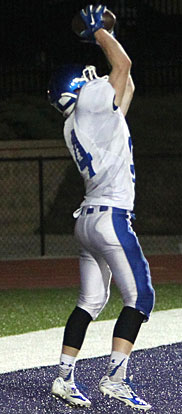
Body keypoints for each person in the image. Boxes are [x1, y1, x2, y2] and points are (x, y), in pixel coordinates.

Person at [47, 4, 155, 411]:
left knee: (89, 302)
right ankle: (114, 378)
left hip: (88, 219)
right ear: (78, 87)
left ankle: (64, 377)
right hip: (110, 217)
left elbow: (125, 89)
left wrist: (106, 40)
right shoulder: (91, 102)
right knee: (141, 296)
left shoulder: (76, 121)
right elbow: (122, 65)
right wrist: (97, 32)